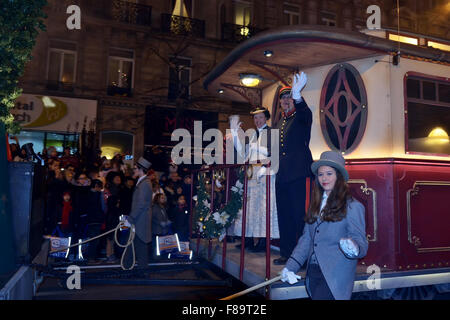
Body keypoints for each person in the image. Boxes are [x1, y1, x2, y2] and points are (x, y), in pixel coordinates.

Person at [280, 151, 368, 300]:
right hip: (313, 272)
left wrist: (354, 248)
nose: (324, 178)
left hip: (335, 277)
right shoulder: (315, 205)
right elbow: (306, 240)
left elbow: (361, 243)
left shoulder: (353, 206)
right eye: (320, 174)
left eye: (329, 174)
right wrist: (290, 267)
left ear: (339, 176)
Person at [273, 72, 314, 265]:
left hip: (299, 174)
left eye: (289, 96)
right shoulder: (279, 122)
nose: (286, 100)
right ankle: (287, 253)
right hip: (282, 176)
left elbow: (306, 114)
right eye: (284, 98)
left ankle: (302, 256)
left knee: (300, 216)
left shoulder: (301, 117)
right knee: (285, 216)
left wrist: (299, 97)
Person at [230, 106, 279, 252]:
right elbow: (241, 152)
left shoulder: (272, 133)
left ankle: (264, 242)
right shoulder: (251, 135)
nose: (257, 120)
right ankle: (249, 240)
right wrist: (234, 133)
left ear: (266, 118)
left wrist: (256, 148)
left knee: (264, 208)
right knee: (250, 209)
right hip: (252, 174)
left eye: (260, 117)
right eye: (255, 118)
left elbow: (274, 152)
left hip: (265, 173)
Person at [123, 157, 153, 269]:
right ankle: (127, 268)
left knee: (140, 247)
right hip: (139, 220)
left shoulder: (145, 183)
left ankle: (142, 273)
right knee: (133, 245)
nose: (134, 170)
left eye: (135, 168)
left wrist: (130, 219)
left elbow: (141, 205)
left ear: (141, 170)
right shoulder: (142, 182)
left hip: (140, 221)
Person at [151, 193, 171, 259]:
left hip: (163, 230)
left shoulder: (163, 207)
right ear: (157, 199)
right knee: (156, 247)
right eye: (162, 198)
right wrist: (160, 223)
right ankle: (156, 260)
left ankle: (161, 258)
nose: (163, 199)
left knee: (161, 246)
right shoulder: (154, 207)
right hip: (156, 230)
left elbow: (165, 216)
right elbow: (151, 218)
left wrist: (167, 221)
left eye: (164, 197)